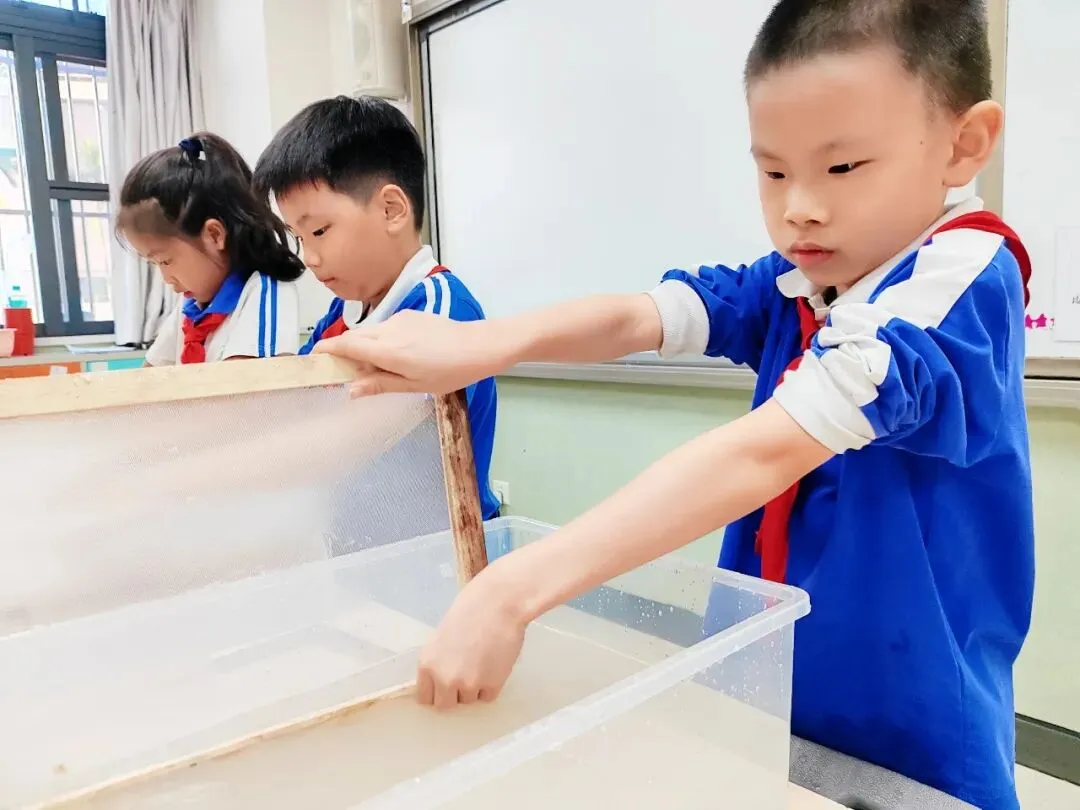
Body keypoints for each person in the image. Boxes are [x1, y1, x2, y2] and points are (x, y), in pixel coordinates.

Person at [313, 1, 1033, 807]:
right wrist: (485, 343)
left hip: (913, 729)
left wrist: (512, 589)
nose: (799, 206)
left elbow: (764, 452)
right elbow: (642, 317)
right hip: (769, 685)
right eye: (773, 172)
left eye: (841, 168)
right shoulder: (802, 277)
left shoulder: (958, 280)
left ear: (964, 144)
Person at [252, 95, 500, 532]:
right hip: (363, 543)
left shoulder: (441, 310)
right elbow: (294, 399)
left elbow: (341, 442)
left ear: (391, 210)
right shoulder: (343, 313)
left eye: (319, 231)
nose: (309, 257)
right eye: (299, 238)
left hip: (441, 548)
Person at [117, 133, 303, 365]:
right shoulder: (190, 306)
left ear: (214, 235)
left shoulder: (265, 292)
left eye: (165, 261)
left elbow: (244, 386)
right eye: (154, 264)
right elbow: (149, 376)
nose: (166, 279)